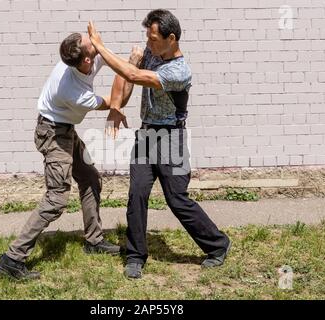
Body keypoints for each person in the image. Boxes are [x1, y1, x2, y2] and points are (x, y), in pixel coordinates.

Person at [88, 9, 232, 279]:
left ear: (172, 38)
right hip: (146, 135)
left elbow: (133, 75)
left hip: (171, 139)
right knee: (137, 194)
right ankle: (135, 256)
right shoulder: (152, 53)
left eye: (153, 38)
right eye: (148, 37)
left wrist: (100, 47)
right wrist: (117, 106)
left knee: (177, 199)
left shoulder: (179, 71)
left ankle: (218, 245)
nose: (149, 42)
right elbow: (129, 77)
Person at [0, 33, 142, 280]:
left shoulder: (81, 56)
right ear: (85, 59)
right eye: (90, 44)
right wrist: (133, 66)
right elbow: (117, 101)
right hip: (53, 134)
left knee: (90, 179)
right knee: (56, 199)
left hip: (66, 130)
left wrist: (122, 63)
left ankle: (93, 241)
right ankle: (12, 258)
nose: (94, 44)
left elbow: (112, 63)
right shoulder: (74, 93)